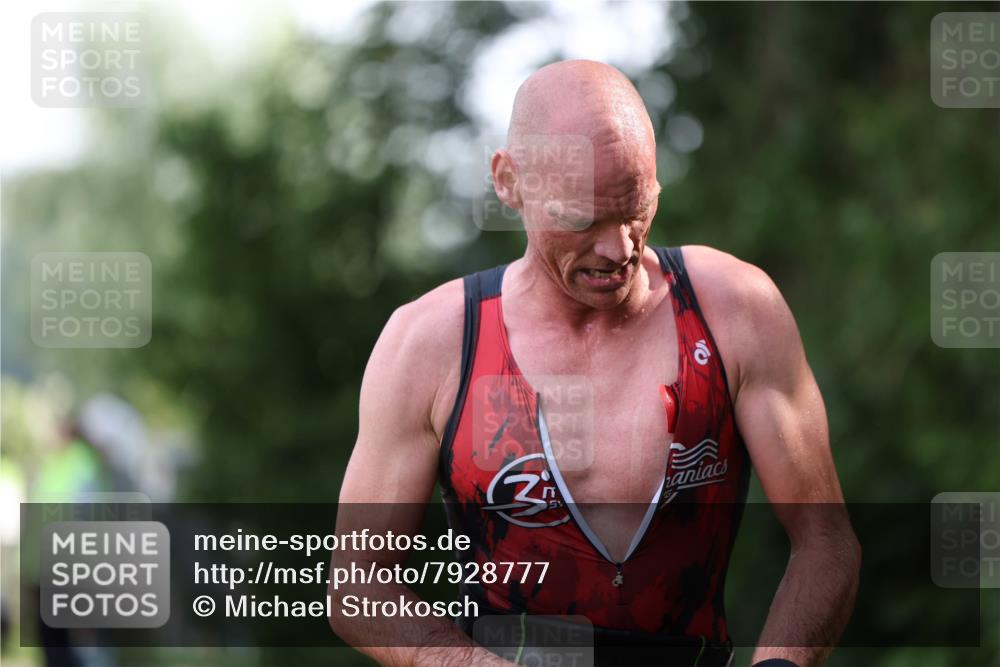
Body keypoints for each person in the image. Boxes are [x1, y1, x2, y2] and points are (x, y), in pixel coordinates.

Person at [330, 59, 861, 667]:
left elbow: (825, 543)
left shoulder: (735, 310)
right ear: (508, 181)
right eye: (581, 219)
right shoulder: (434, 341)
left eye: (637, 208)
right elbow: (358, 587)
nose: (619, 249)